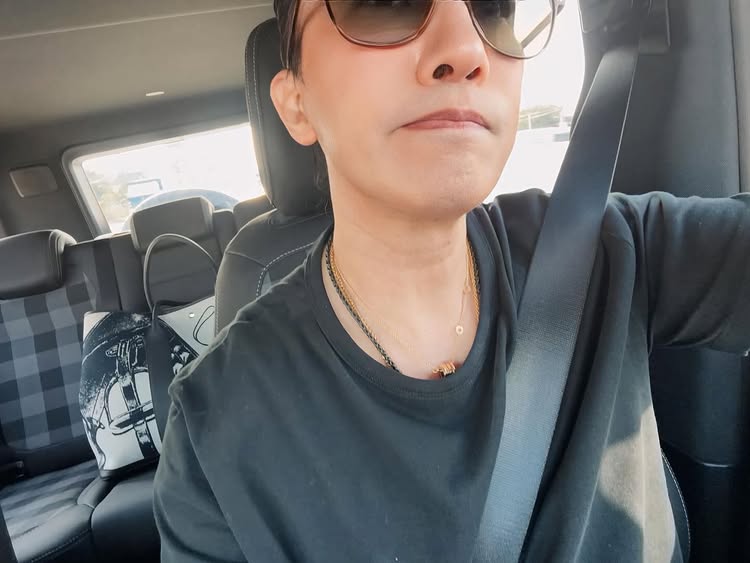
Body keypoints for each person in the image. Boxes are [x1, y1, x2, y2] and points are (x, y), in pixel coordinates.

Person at [152, 1, 750, 561]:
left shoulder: (606, 245)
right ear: (296, 104)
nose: (467, 49)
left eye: (492, 7)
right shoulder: (216, 431)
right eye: (386, 2)